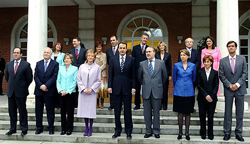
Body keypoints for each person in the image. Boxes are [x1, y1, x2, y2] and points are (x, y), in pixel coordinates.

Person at [219, 41, 247, 142]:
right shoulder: (223, 61)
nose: (231, 48)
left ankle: (238, 132)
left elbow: (244, 73)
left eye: (232, 46)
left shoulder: (242, 59)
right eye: (229, 46)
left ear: (236, 48)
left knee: (240, 112)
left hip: (240, 89)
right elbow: (221, 75)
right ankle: (227, 132)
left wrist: (237, 84)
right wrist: (230, 85)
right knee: (228, 112)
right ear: (227, 48)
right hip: (228, 89)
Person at [138, 47, 167, 139]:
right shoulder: (142, 64)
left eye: (150, 52)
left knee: (156, 113)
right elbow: (139, 77)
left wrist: (158, 84)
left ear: (154, 53)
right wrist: (146, 83)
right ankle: (148, 131)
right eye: (146, 52)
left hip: (157, 91)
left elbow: (164, 76)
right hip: (146, 91)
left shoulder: (161, 63)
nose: (148, 53)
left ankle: (156, 131)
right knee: (147, 113)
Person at [108, 42, 136, 139]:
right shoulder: (113, 60)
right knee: (117, 111)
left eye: (124, 48)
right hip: (116, 88)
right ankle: (117, 130)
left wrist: (134, 87)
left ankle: (128, 131)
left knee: (127, 111)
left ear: (126, 49)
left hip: (127, 88)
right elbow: (110, 74)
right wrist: (109, 86)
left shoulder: (131, 60)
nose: (122, 49)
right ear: (118, 49)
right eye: (120, 48)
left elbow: (134, 75)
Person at [5, 47, 33, 136]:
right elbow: (7, 77)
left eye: (17, 53)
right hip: (11, 92)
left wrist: (23, 86)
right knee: (12, 111)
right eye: (14, 52)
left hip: (21, 92)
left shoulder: (26, 65)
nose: (15, 54)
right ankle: (12, 128)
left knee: (22, 111)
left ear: (21, 54)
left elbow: (29, 78)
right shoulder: (9, 64)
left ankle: (24, 128)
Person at [34, 47, 59, 135]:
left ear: (51, 54)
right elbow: (36, 76)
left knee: (50, 111)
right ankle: (39, 127)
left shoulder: (55, 64)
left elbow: (54, 76)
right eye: (44, 52)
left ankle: (51, 127)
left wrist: (46, 85)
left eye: (48, 52)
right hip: (39, 91)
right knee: (38, 111)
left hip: (49, 91)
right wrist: (41, 85)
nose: (46, 54)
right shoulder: (38, 63)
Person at [77, 49, 101, 137]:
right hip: (83, 92)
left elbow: (98, 80)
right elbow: (78, 79)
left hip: (92, 92)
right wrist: (83, 88)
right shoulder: (82, 66)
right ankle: (86, 127)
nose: (90, 57)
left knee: (90, 111)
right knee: (84, 111)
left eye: (91, 56)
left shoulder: (97, 67)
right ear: (86, 57)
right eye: (88, 56)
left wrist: (91, 89)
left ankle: (91, 127)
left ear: (94, 57)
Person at [173, 49, 196, 141]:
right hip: (179, 91)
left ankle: (187, 132)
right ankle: (180, 132)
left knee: (188, 112)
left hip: (189, 91)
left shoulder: (192, 66)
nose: (182, 57)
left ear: (188, 56)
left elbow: (194, 78)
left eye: (184, 55)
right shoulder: (176, 65)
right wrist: (179, 85)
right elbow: (174, 79)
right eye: (181, 55)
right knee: (180, 112)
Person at [197, 55, 219, 140]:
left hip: (212, 98)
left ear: (211, 63)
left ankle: (210, 133)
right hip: (202, 98)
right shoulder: (200, 72)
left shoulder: (214, 72)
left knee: (210, 116)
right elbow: (199, 85)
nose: (206, 63)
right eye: (205, 62)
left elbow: (216, 85)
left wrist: (211, 96)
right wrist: (206, 95)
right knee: (202, 116)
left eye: (208, 62)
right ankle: (203, 132)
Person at [56, 53, 78, 135]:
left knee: (70, 111)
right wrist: (60, 90)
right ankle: (63, 128)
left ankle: (69, 128)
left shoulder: (75, 69)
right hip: (62, 93)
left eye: (68, 58)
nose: (66, 60)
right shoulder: (60, 68)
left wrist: (68, 91)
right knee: (62, 111)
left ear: (71, 60)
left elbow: (75, 81)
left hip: (70, 93)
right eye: (65, 58)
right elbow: (58, 80)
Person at [201, 36, 222, 103]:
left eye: (210, 41)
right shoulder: (203, 51)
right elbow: (202, 61)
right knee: (206, 84)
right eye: (207, 41)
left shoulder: (217, 50)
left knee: (214, 85)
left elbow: (220, 60)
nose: (208, 42)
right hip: (206, 68)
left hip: (215, 69)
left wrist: (217, 69)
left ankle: (214, 102)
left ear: (213, 42)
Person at [132, 33, 149, 110]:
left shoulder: (149, 49)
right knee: (137, 89)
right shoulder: (135, 48)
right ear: (141, 38)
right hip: (137, 71)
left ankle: (146, 104)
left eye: (146, 38)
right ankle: (137, 104)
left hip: (146, 72)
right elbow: (133, 60)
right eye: (144, 38)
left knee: (146, 89)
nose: (145, 39)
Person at [69, 37, 87, 108]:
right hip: (73, 72)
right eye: (73, 42)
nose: (73, 43)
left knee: (82, 87)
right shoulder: (71, 51)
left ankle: (82, 103)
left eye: (75, 41)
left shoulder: (84, 51)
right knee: (74, 87)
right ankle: (75, 103)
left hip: (82, 71)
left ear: (79, 42)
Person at [155, 41, 172, 110]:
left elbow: (169, 65)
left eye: (163, 46)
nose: (161, 47)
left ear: (165, 47)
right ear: (158, 47)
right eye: (160, 46)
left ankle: (165, 106)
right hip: (158, 75)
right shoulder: (156, 55)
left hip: (165, 75)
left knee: (165, 90)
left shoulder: (168, 55)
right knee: (159, 91)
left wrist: (170, 75)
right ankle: (159, 105)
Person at [106, 35, 119, 110]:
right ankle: (112, 104)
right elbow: (108, 61)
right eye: (111, 40)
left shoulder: (120, 49)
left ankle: (119, 104)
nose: (112, 42)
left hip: (119, 71)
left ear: (117, 41)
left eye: (113, 40)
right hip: (111, 71)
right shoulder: (108, 50)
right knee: (111, 87)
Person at [52, 41, 65, 108]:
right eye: (57, 45)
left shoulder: (62, 55)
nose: (58, 46)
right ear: (55, 46)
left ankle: (58, 104)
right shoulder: (51, 54)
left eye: (60, 45)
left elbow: (63, 64)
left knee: (58, 88)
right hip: (51, 73)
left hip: (59, 73)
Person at [95, 41, 107, 109]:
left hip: (102, 74)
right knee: (96, 89)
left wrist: (98, 69)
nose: (99, 48)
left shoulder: (104, 55)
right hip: (95, 74)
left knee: (102, 89)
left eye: (100, 47)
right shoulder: (94, 55)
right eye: (97, 47)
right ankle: (97, 103)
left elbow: (104, 64)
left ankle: (102, 103)